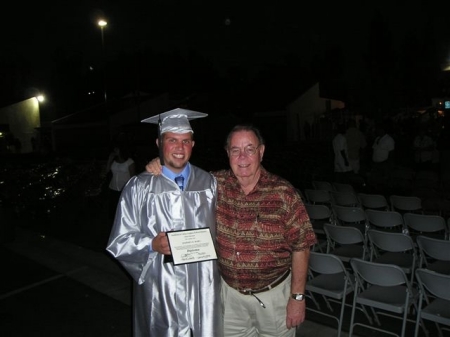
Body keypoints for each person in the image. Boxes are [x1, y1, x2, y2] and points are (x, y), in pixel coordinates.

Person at [146, 124, 317, 337]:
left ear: (261, 152)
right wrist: (162, 164)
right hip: (230, 297)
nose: (242, 157)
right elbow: (184, 176)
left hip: (274, 297)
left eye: (249, 149)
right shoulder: (213, 185)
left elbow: (302, 245)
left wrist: (297, 298)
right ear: (227, 153)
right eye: (235, 150)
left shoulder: (284, 193)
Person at [106, 108, 223, 337]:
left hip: (203, 287)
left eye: (186, 141)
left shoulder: (209, 183)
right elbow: (119, 240)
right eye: (172, 140)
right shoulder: (139, 187)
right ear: (159, 143)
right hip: (161, 288)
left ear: (193, 144)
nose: (180, 148)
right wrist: (150, 245)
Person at [105, 144, 135, 222]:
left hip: (124, 189)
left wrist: (131, 190)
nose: (115, 150)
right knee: (113, 210)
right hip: (113, 187)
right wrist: (109, 159)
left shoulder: (129, 162)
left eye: (116, 149)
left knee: (123, 209)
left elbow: (133, 178)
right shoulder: (114, 161)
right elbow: (106, 171)